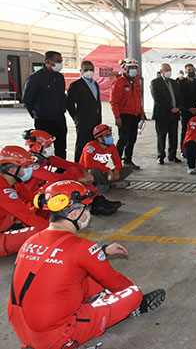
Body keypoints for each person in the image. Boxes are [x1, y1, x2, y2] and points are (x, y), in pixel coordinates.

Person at [9, 180, 166, 349]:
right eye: (86, 208)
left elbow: (61, 257)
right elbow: (116, 283)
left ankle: (99, 301)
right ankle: (130, 307)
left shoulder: (31, 241)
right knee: (133, 293)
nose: (88, 213)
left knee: (81, 275)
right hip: (58, 336)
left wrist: (102, 251)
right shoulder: (82, 248)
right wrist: (130, 288)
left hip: (22, 330)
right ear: (75, 213)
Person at [23, 129, 121, 217]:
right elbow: (54, 178)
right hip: (31, 199)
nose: (51, 148)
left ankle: (95, 200)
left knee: (74, 170)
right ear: (37, 147)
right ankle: (93, 202)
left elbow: (75, 165)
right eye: (47, 146)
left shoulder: (45, 158)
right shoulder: (30, 164)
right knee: (67, 180)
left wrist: (85, 173)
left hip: (40, 193)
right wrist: (79, 179)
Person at [0, 146, 49, 258]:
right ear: (12, 170)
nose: (29, 169)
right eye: (25, 167)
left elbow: (34, 198)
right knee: (40, 233)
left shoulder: (13, 181)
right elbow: (27, 216)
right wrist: (59, 231)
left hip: (6, 224)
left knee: (45, 207)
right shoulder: (2, 189)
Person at [23, 51, 67, 159]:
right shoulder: (35, 78)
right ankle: (43, 168)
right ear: (47, 61)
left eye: (61, 61)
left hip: (60, 119)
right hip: (44, 120)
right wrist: (35, 114)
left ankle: (61, 168)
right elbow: (27, 98)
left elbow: (62, 95)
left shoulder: (60, 77)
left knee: (61, 148)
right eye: (57, 61)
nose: (60, 64)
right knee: (44, 149)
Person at [110, 58, 143, 170]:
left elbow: (138, 99)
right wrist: (117, 117)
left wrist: (141, 113)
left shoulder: (137, 82)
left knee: (132, 139)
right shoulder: (119, 83)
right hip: (124, 115)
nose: (133, 70)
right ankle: (117, 162)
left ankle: (128, 160)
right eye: (131, 68)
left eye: (135, 68)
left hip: (135, 115)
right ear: (125, 69)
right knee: (123, 139)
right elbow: (114, 102)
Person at [80, 124, 133, 194]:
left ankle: (106, 184)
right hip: (88, 174)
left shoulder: (112, 146)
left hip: (103, 173)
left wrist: (116, 172)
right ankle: (110, 184)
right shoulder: (90, 147)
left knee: (129, 169)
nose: (110, 137)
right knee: (93, 171)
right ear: (99, 138)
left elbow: (117, 162)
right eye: (107, 135)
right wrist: (107, 169)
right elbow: (88, 165)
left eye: (110, 134)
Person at [66, 60, 102, 162]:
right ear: (81, 71)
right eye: (86, 70)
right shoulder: (76, 85)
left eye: (91, 70)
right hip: (83, 121)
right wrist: (76, 118)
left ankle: (91, 164)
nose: (89, 72)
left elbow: (97, 102)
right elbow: (69, 104)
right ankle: (78, 165)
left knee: (93, 144)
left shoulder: (95, 84)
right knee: (82, 144)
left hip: (95, 120)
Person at [150, 63, 183, 165]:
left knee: (173, 136)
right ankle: (161, 156)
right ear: (161, 71)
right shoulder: (155, 82)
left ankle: (172, 155)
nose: (169, 72)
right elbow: (157, 98)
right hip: (162, 114)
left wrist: (178, 108)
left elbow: (180, 97)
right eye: (166, 70)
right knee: (161, 136)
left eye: (170, 70)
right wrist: (170, 108)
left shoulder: (174, 82)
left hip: (174, 114)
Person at [178, 63, 196, 143]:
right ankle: (184, 146)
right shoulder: (181, 82)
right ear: (186, 72)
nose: (191, 71)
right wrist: (188, 108)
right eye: (189, 70)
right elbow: (180, 97)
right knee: (185, 129)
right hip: (186, 111)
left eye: (193, 70)